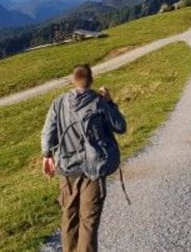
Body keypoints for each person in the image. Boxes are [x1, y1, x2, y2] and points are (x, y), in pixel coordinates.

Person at [41, 64, 127, 252]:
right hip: (94, 170)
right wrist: (110, 102)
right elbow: (120, 126)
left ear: (73, 80)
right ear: (91, 80)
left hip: (67, 168)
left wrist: (47, 155)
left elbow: (48, 132)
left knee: (69, 216)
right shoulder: (99, 102)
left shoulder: (59, 102)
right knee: (88, 220)